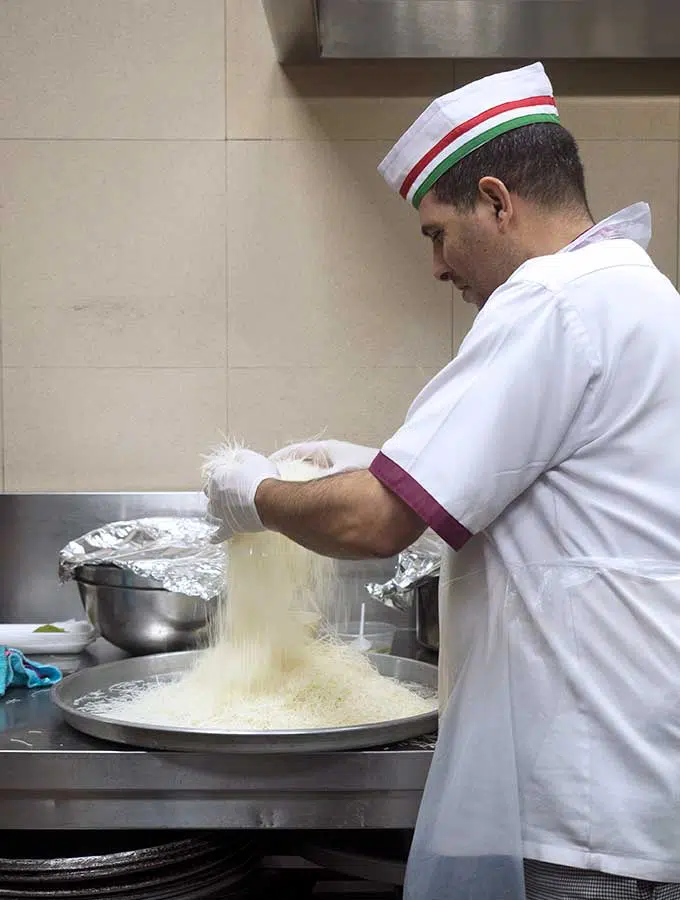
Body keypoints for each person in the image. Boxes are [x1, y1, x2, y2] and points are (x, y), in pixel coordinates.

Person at [206, 63, 680, 900]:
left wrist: (251, 495)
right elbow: (539, 487)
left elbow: (374, 524)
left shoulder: (554, 302)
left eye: (435, 233)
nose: (436, 267)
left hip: (589, 808)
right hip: (632, 780)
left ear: (498, 202)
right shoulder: (636, 296)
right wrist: (374, 461)